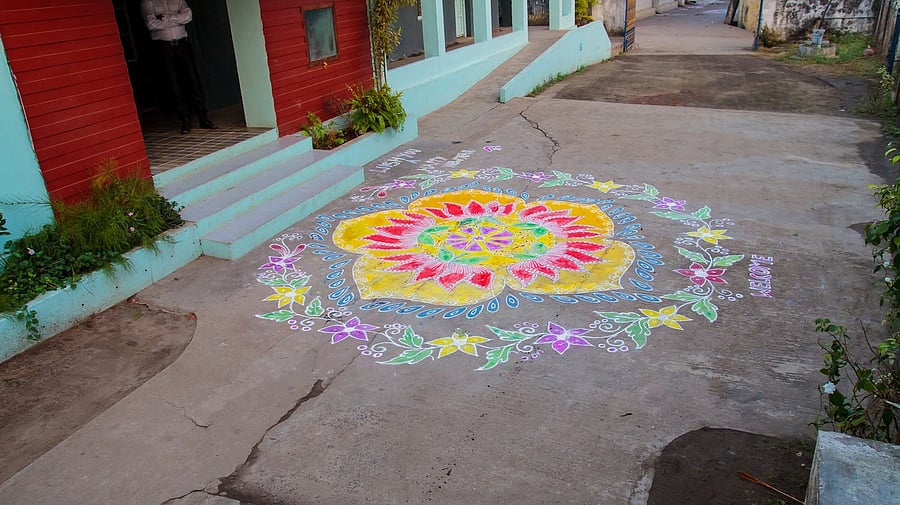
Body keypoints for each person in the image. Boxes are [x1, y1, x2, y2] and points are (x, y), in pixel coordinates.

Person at [141, 0, 217, 134]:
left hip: (182, 44)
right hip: (163, 47)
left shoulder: (179, 0)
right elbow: (151, 24)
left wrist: (165, 18)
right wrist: (177, 18)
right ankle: (185, 119)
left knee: (193, 80)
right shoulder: (148, 2)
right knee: (174, 83)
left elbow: (188, 16)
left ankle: (203, 117)